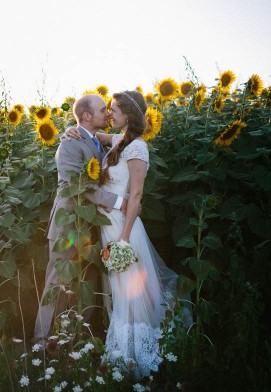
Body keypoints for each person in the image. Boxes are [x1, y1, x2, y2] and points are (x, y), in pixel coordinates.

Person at [65, 90, 189, 377]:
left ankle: (134, 356)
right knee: (119, 288)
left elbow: (136, 196)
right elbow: (94, 137)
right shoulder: (122, 141)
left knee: (129, 289)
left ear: (129, 115)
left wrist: (124, 238)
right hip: (107, 223)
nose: (110, 114)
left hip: (123, 227)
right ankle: (121, 353)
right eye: (108, 109)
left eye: (115, 110)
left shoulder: (137, 149)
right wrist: (73, 129)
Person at [34, 94, 127, 345]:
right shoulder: (69, 144)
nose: (107, 113)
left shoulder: (97, 141)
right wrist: (120, 203)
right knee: (57, 280)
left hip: (90, 224)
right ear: (86, 116)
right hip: (68, 223)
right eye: (102, 110)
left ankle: (77, 337)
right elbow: (81, 186)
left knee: (88, 280)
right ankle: (43, 341)